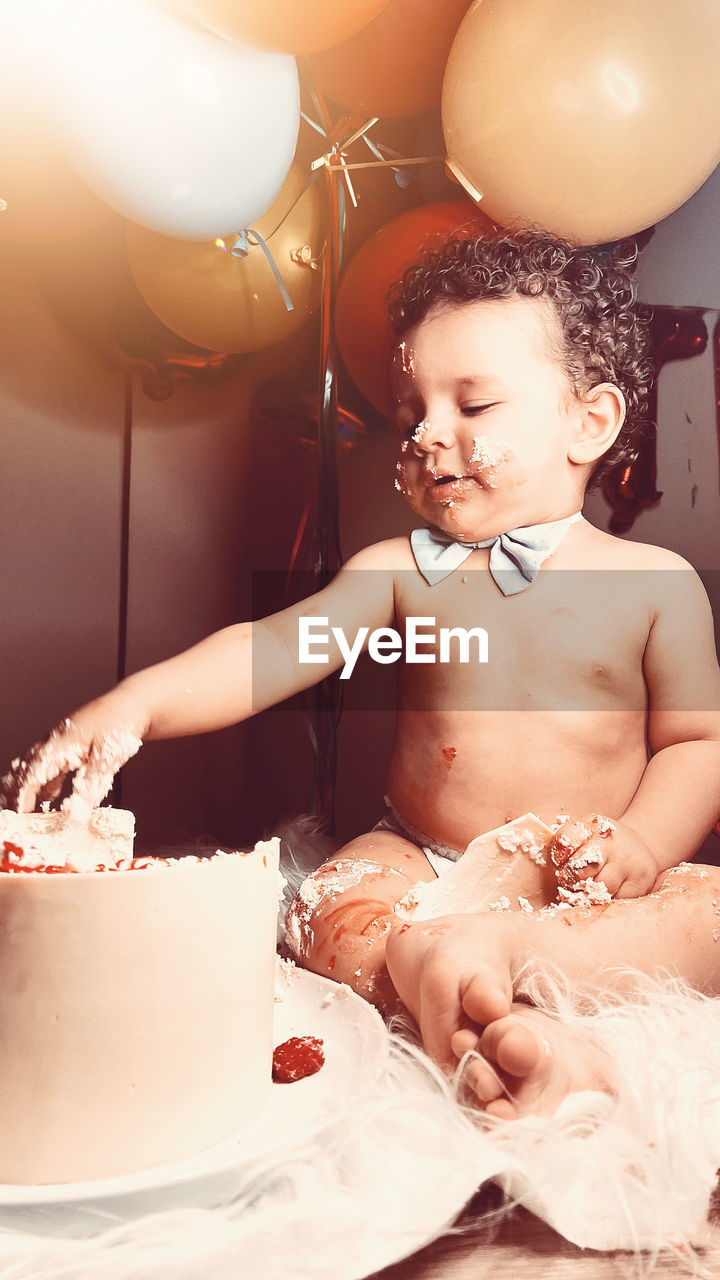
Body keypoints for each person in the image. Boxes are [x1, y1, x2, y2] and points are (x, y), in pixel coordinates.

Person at [5, 231, 720, 1086]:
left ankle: (502, 968)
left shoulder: (654, 584)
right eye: (412, 410)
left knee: (707, 915)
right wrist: (137, 705)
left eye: (475, 406)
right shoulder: (396, 574)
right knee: (330, 908)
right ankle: (454, 992)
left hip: (581, 883)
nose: (429, 434)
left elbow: (696, 743)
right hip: (420, 856)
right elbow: (273, 650)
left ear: (589, 421)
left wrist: (642, 840)